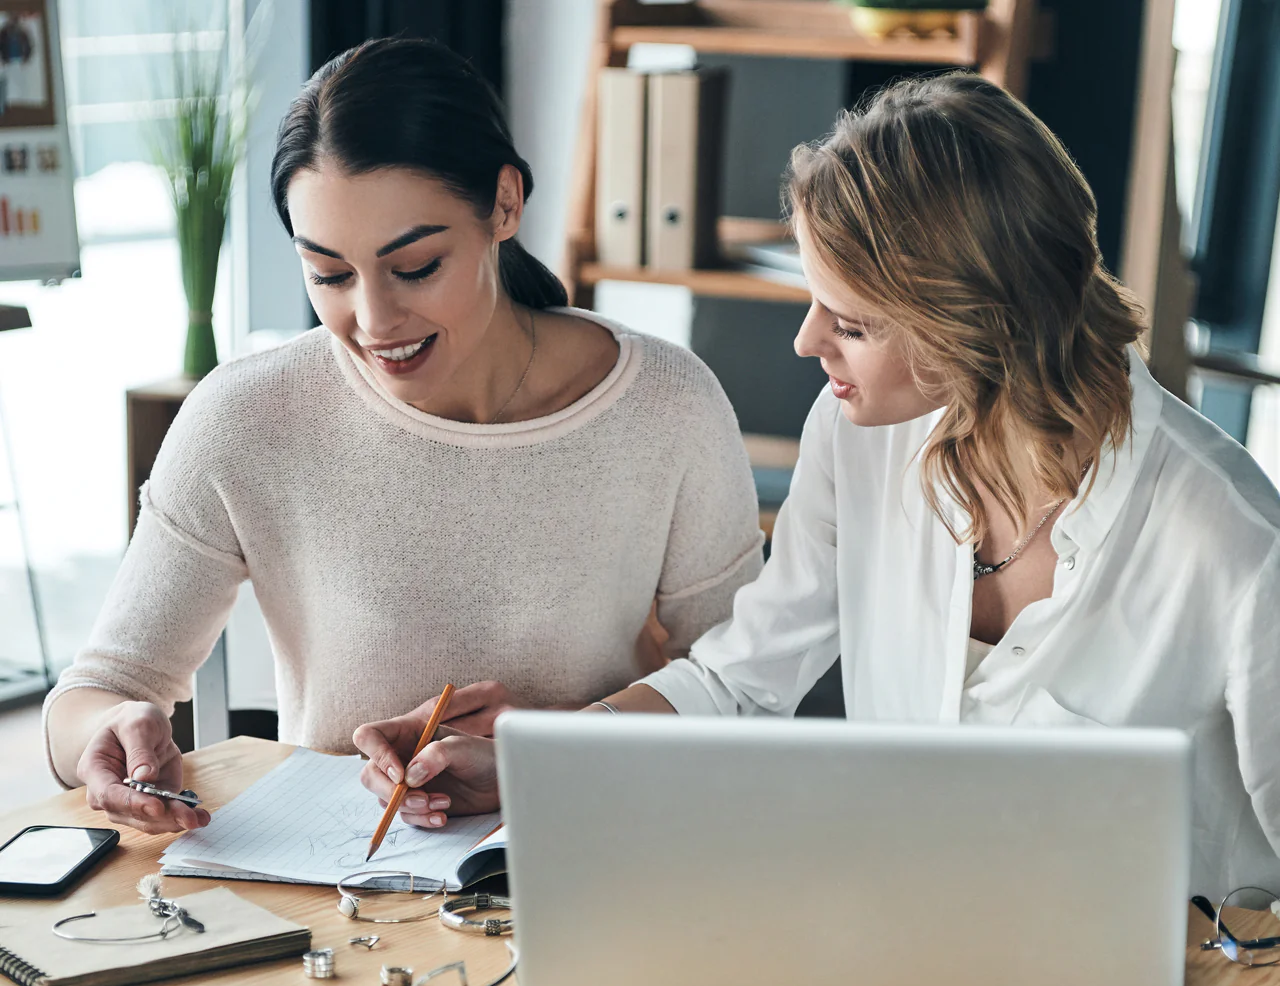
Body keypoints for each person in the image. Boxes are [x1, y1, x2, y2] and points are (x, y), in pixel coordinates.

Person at [389, 74, 1280, 899]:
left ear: (978, 326)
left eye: (850, 323)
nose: (808, 343)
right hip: (904, 967)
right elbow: (741, 682)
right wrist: (529, 756)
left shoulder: (1236, 546)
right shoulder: (859, 439)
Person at [42, 37, 762, 834]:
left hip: (598, 848)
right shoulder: (246, 417)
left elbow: (743, 686)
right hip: (341, 898)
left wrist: (547, 747)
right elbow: (98, 687)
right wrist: (102, 738)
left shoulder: (665, 404)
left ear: (505, 204)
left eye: (415, 266)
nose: (375, 322)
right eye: (330, 275)